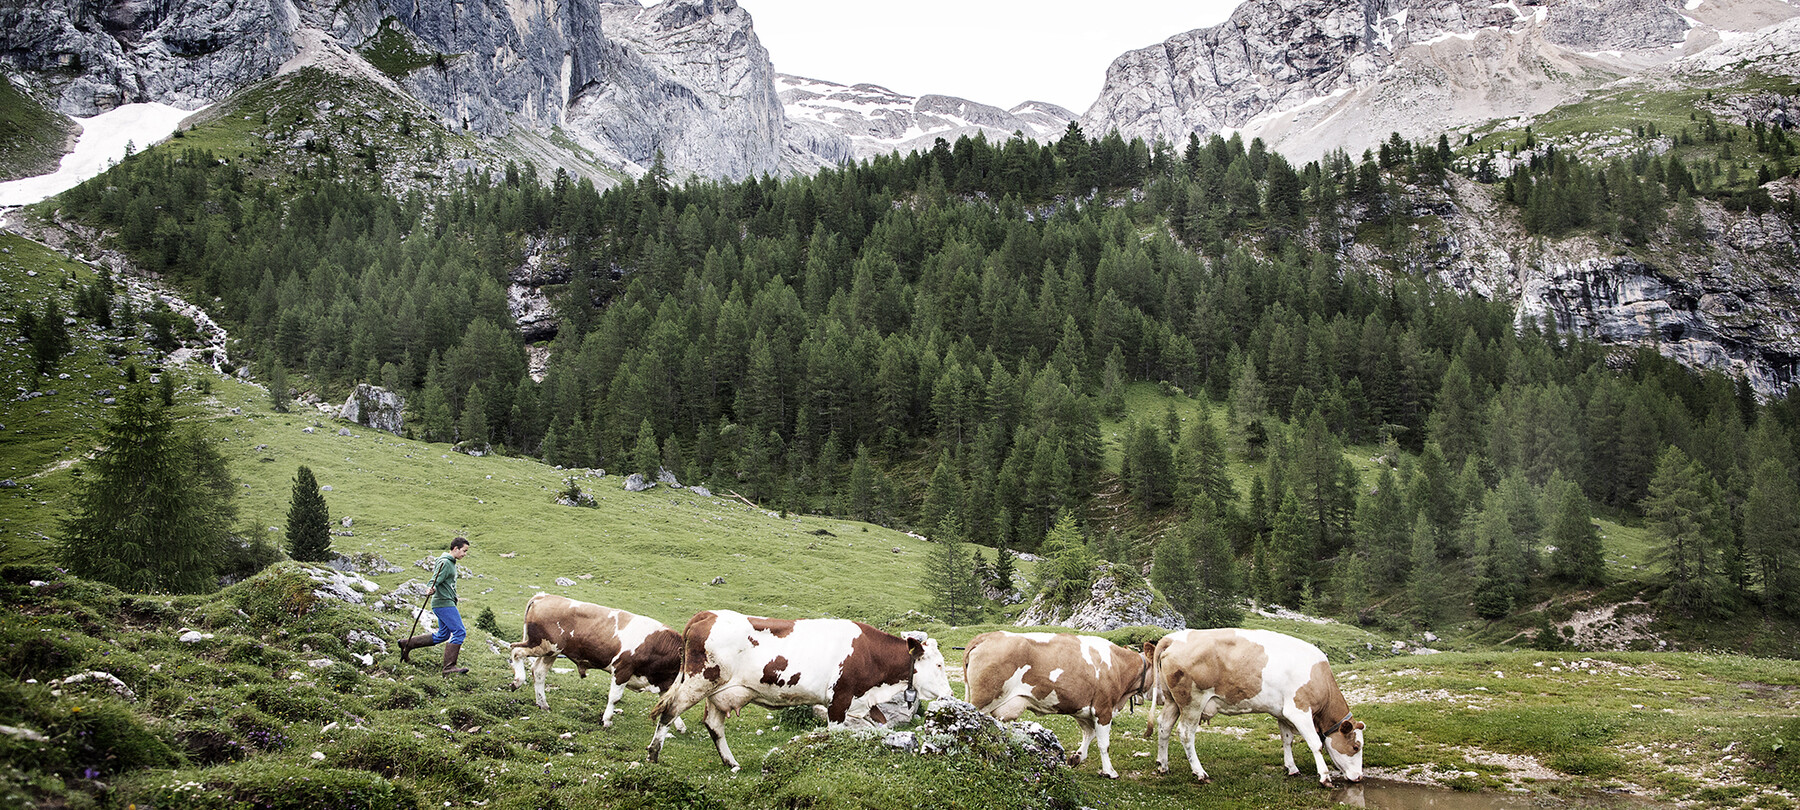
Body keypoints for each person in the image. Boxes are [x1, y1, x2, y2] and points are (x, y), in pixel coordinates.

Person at [397, 536, 471, 675]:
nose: (465, 554)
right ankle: (449, 668)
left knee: (443, 635)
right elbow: (435, 579)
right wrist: (430, 588)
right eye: (464, 551)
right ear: (456, 548)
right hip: (444, 603)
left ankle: (407, 644)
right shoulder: (445, 562)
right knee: (460, 632)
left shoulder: (450, 562)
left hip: (444, 602)